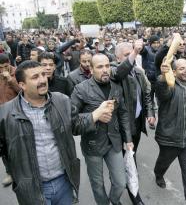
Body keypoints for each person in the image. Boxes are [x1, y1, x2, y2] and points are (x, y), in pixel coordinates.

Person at [0, 61, 80, 204]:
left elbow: (77, 124)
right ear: (22, 85)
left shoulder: (61, 100)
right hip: (32, 189)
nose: (43, 80)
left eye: (43, 74)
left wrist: (97, 114)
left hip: (64, 182)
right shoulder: (5, 113)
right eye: (35, 77)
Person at [71, 53, 133, 205]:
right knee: (98, 186)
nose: (105, 70)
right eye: (99, 67)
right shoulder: (80, 89)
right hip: (93, 145)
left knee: (120, 183)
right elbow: (72, 123)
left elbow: (123, 113)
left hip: (114, 142)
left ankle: (114, 200)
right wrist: (95, 116)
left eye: (107, 66)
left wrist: (128, 139)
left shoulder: (116, 86)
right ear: (91, 69)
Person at [154, 58, 186, 205]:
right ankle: (158, 174)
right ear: (174, 72)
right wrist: (163, 77)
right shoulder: (170, 86)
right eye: (181, 69)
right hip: (170, 138)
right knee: (163, 163)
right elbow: (162, 91)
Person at [112, 41, 155, 205]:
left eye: (134, 53)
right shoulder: (113, 72)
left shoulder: (138, 72)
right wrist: (134, 53)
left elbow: (146, 94)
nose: (133, 56)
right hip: (121, 128)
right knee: (127, 159)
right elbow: (119, 73)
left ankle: (128, 174)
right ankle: (134, 195)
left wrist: (150, 113)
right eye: (127, 55)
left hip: (136, 124)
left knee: (131, 154)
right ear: (117, 58)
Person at [0, 53, 21, 187]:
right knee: (3, 146)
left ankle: (23, 169)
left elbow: (23, 91)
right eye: (0, 67)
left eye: (5, 66)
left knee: (19, 143)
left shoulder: (17, 72)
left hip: (15, 114)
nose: (3, 70)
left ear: (9, 63)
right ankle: (9, 172)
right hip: (1, 116)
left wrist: (10, 80)